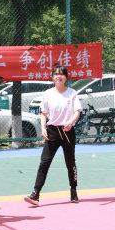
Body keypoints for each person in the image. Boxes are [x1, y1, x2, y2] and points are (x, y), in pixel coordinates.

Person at [25, 64, 82, 206]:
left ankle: (73, 190)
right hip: (52, 131)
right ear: (52, 77)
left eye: (61, 74)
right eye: (56, 74)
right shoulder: (48, 93)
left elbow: (77, 111)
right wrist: (43, 128)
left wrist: (71, 122)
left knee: (70, 162)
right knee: (44, 162)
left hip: (67, 131)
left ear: (66, 77)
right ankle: (35, 194)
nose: (59, 76)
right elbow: (43, 113)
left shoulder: (72, 93)